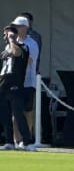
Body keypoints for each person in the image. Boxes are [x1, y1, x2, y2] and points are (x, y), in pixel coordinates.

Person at [0, 25, 31, 150]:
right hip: (4, 84)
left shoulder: (23, 47)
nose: (5, 37)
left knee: (18, 114)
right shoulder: (5, 50)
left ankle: (27, 141)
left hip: (15, 84)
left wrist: (12, 39)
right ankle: (9, 141)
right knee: (5, 114)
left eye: (7, 34)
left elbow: (16, 53)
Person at [10, 16, 39, 150]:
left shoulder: (32, 43)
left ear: (25, 28)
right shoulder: (11, 43)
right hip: (14, 83)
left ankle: (26, 141)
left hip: (28, 82)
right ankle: (17, 140)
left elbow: (27, 61)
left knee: (27, 111)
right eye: (14, 26)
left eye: (18, 26)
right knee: (15, 112)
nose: (16, 29)